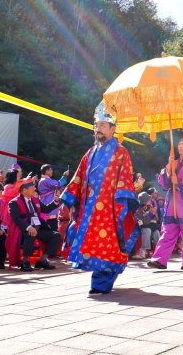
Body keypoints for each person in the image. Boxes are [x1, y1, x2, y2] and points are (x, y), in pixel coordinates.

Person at [60, 103, 139, 294]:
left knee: (108, 244)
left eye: (103, 125)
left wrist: (122, 204)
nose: (98, 129)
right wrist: (72, 201)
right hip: (89, 208)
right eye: (96, 125)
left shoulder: (121, 152)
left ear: (113, 129)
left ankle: (101, 282)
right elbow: (78, 177)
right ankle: (100, 280)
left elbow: (126, 179)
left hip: (110, 208)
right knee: (92, 243)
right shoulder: (90, 152)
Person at [147, 136, 183, 270]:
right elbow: (165, 185)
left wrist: (178, 181)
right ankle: (160, 260)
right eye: (180, 144)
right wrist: (167, 168)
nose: (181, 146)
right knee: (168, 231)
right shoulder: (173, 162)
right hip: (172, 203)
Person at [8, 181, 61, 271]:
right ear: (24, 190)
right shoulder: (14, 202)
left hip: (37, 227)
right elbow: (16, 218)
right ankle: (25, 262)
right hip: (22, 229)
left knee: (56, 235)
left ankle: (42, 260)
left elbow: (46, 209)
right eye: (32, 187)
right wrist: (28, 227)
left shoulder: (35, 200)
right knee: (31, 233)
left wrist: (56, 200)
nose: (35, 189)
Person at [37, 164, 70, 232]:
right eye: (49, 170)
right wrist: (65, 176)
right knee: (51, 224)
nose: (51, 171)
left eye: (51, 169)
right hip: (48, 201)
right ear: (45, 171)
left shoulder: (45, 179)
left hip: (49, 200)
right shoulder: (45, 180)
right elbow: (58, 184)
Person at [134, 191, 160, 258]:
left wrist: (154, 215)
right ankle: (142, 251)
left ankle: (160, 251)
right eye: (148, 199)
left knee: (156, 232)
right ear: (144, 200)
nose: (150, 200)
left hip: (151, 226)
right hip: (141, 228)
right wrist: (151, 214)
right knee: (147, 230)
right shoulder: (138, 210)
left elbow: (156, 219)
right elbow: (143, 222)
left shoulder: (149, 207)